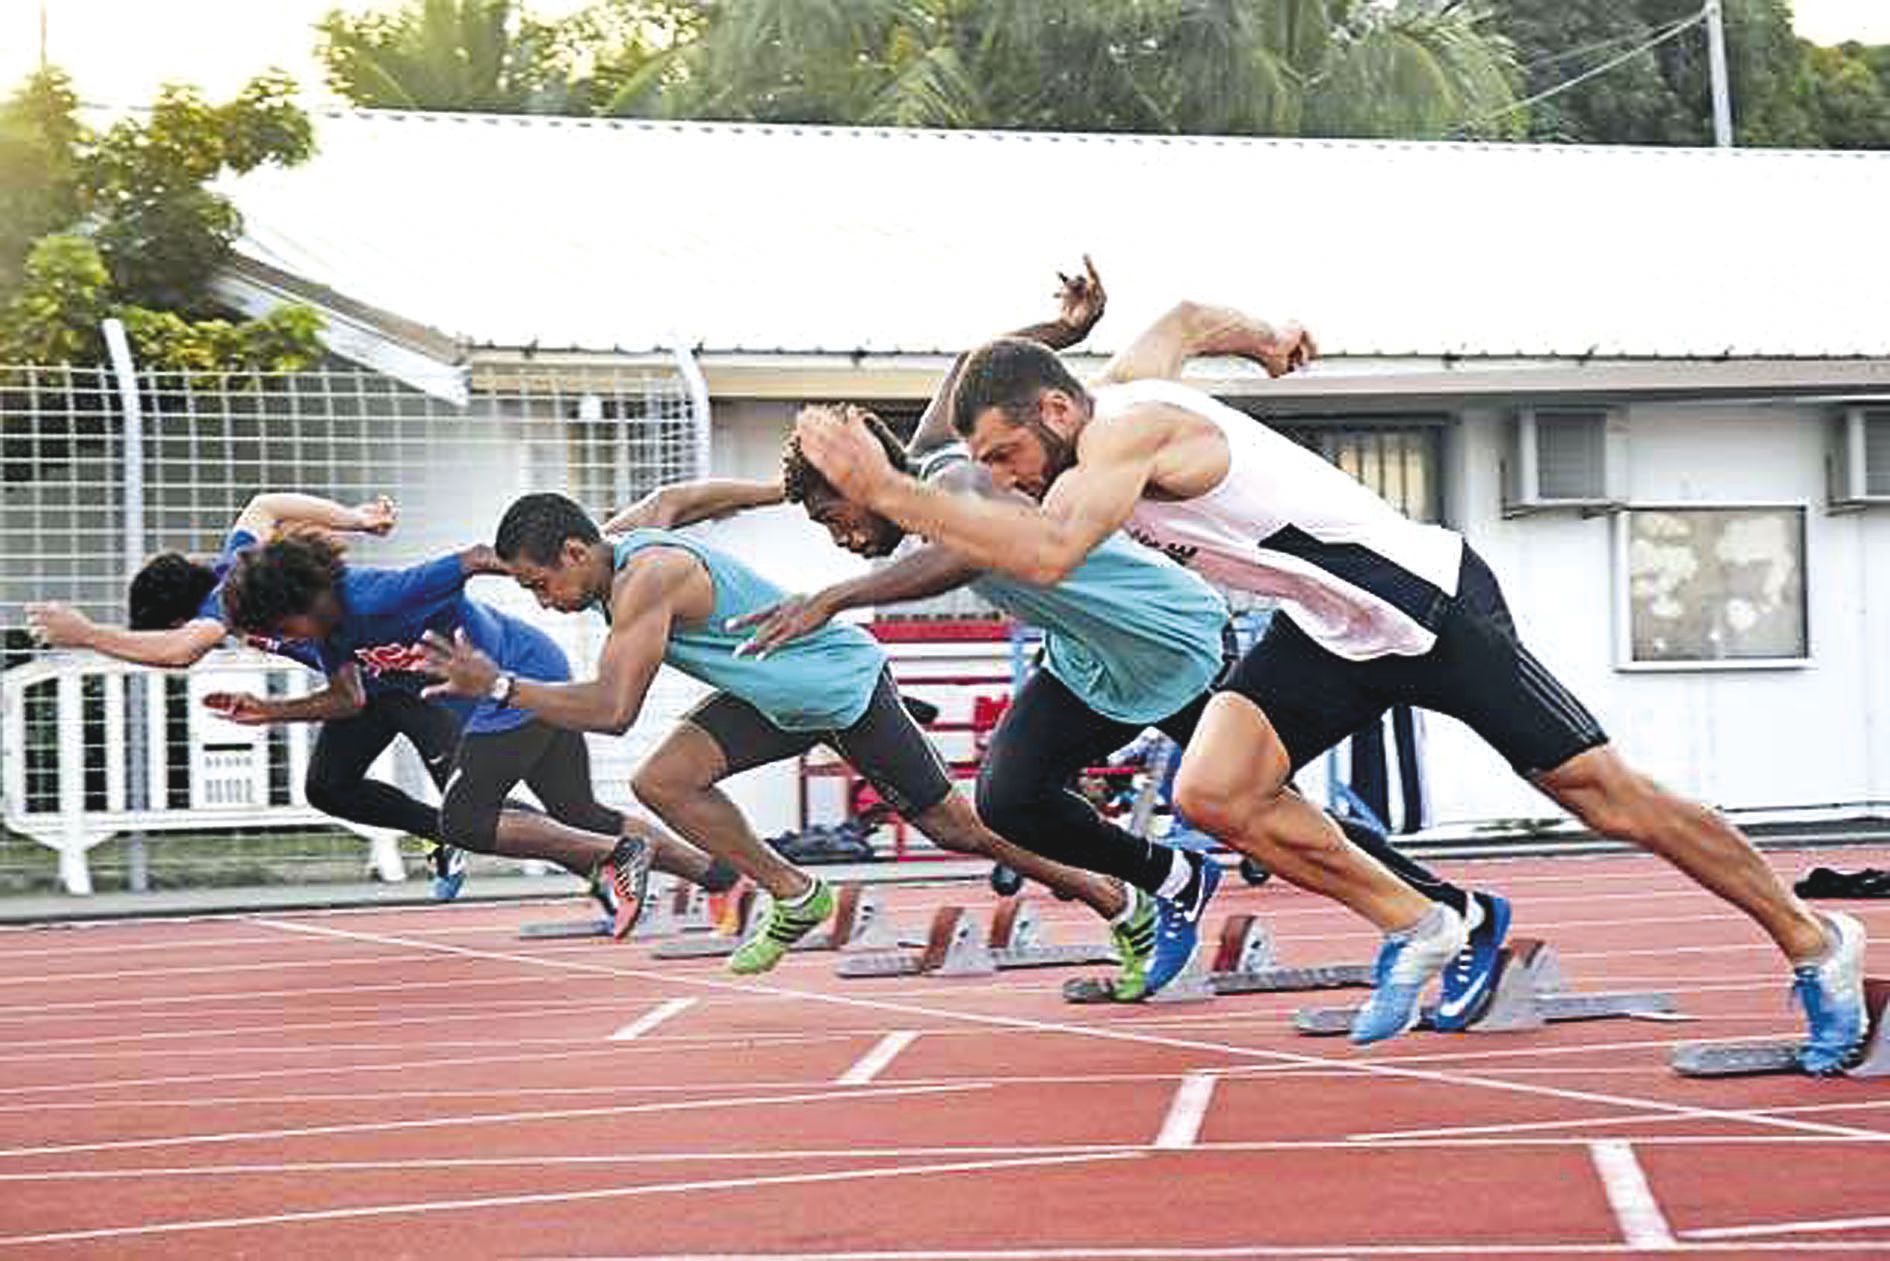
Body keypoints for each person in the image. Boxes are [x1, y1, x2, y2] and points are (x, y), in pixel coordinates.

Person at [791, 323, 1868, 1069]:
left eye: (1010, 453)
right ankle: (1427, 917)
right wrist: (1258, 333)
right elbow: (1178, 315)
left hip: (1429, 605)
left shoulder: (1125, 435)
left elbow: (1057, 550)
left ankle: (1816, 941)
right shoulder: (1112, 395)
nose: (1008, 474)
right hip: (1330, 630)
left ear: (1060, 410)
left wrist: (889, 491)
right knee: (1215, 790)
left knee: (1606, 796)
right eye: (987, 462)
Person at [729, 268, 1511, 1015]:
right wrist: (1062, 330)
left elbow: (969, 550)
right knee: (1009, 798)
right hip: (1091, 664)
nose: (841, 536)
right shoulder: (941, 450)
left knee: (1272, 814)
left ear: (868, 486)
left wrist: (837, 597)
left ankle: (1456, 914)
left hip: (1171, 644)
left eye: (838, 518)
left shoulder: (957, 488)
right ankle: (1173, 881)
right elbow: (974, 364)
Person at [420, 491, 1138, 976]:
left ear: (575, 552)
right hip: (768, 695)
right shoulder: (619, 537)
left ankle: (1113, 896)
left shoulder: (648, 579)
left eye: (539, 584)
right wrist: (777, 487)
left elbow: (614, 709)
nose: (543, 603)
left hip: (836, 689)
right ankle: (797, 894)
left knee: (957, 827)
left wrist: (502, 687)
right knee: (662, 781)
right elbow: (686, 495)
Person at [216, 533, 734, 937]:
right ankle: (720, 877)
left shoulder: (379, 594)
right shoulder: (332, 632)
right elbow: (349, 699)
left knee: (463, 821)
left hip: (512, 682)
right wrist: (269, 711)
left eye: (284, 629)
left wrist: (555, 582)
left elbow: (476, 557)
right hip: (516, 682)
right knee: (577, 809)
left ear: (308, 600)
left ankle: (618, 855)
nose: (285, 642)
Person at [25, 493, 471, 897]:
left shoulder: (219, 606)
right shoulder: (237, 561)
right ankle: (441, 832)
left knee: (479, 805)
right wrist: (356, 519)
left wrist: (86, 634)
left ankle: (526, 841)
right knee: (329, 787)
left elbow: (180, 653)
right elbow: (264, 506)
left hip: (416, 677)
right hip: (361, 684)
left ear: (178, 620)